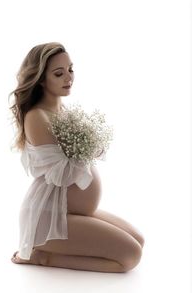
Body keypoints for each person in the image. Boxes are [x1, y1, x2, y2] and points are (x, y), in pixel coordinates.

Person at [9, 42, 145, 273]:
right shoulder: (37, 116)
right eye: (58, 73)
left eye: (70, 70)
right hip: (50, 218)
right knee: (131, 257)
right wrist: (90, 148)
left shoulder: (63, 111)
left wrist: (91, 145)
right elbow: (60, 173)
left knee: (138, 240)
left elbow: (86, 154)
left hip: (73, 212)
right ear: (41, 79)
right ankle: (43, 257)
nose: (68, 78)